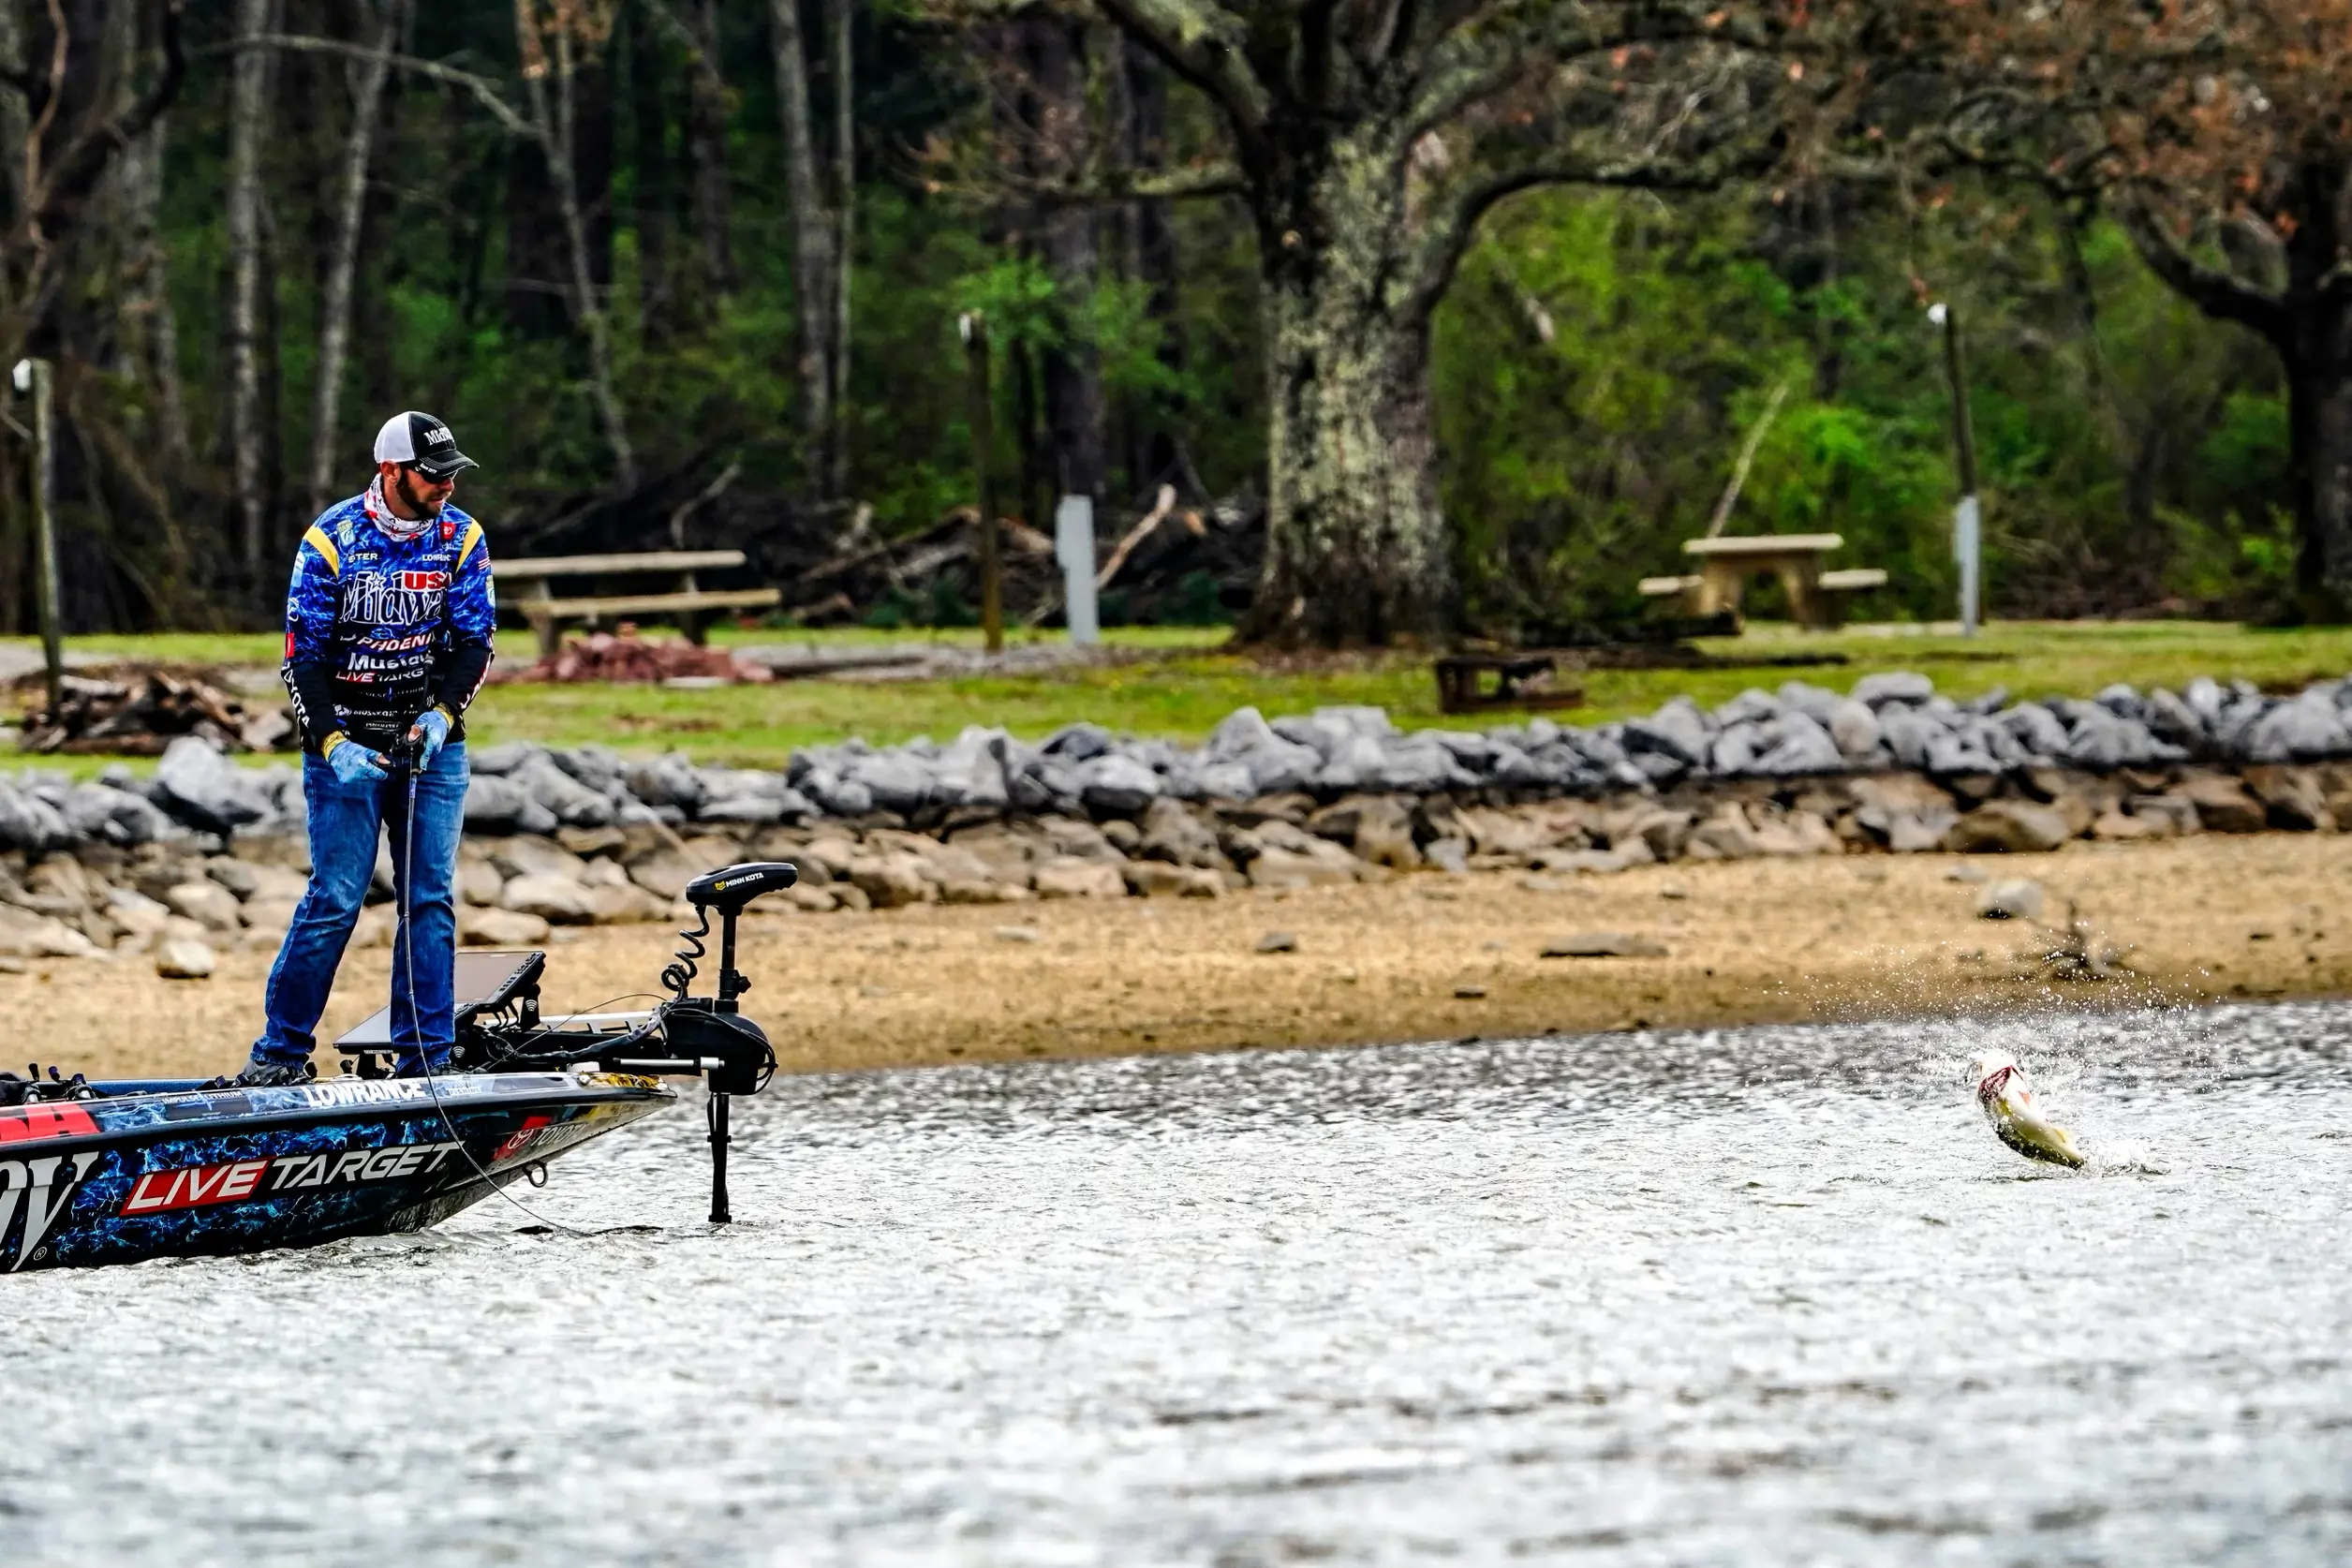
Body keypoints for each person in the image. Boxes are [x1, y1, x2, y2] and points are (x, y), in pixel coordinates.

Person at [236, 411, 496, 1085]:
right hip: (344, 743)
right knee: (336, 898)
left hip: (430, 747)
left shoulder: (462, 539)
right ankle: (280, 1055)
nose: (446, 486)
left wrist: (440, 718)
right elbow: (301, 661)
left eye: (450, 474)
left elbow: (476, 643)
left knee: (429, 898)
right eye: (433, 475)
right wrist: (332, 742)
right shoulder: (330, 542)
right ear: (391, 471)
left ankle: (426, 1059)